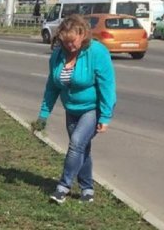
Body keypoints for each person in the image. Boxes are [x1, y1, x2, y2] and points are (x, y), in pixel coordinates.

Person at [34, 14, 116, 204]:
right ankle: (87, 189)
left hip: (92, 108)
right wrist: (43, 115)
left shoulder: (97, 52)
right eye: (65, 42)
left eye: (73, 42)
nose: (69, 46)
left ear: (83, 35)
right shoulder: (57, 55)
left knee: (76, 143)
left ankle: (63, 187)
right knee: (81, 148)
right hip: (72, 108)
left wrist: (105, 116)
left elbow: (107, 86)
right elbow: (52, 86)